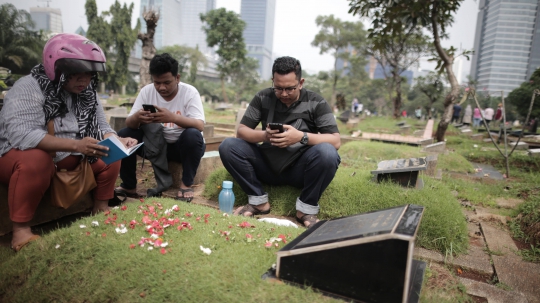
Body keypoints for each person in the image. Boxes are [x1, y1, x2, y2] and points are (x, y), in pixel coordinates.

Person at [0, 33, 137, 251]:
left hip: (74, 157)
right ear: (56, 69)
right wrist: (77, 145)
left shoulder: (87, 93)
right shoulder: (29, 87)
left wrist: (118, 140)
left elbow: (102, 127)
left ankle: (101, 207)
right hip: (18, 155)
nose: (84, 81)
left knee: (111, 153)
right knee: (36, 160)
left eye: (89, 75)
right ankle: (20, 231)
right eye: (75, 74)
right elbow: (22, 136)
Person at [218, 56, 341, 228]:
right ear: (272, 81)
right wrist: (265, 136)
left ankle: (306, 209)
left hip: (301, 169)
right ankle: (259, 201)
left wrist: (301, 137)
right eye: (278, 88)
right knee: (228, 146)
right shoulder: (263, 97)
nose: (283, 94)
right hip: (266, 165)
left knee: (327, 153)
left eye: (290, 89)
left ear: (301, 82)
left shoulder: (316, 102)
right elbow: (242, 131)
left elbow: (335, 140)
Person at [115, 53, 205, 201]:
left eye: (167, 82)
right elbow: (129, 123)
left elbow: (199, 125)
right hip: (155, 145)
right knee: (125, 134)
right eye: (157, 82)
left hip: (181, 147)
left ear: (177, 78)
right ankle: (129, 185)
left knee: (192, 135)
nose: (161, 87)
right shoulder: (147, 91)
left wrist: (173, 118)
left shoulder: (190, 92)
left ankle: (185, 184)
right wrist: (138, 117)